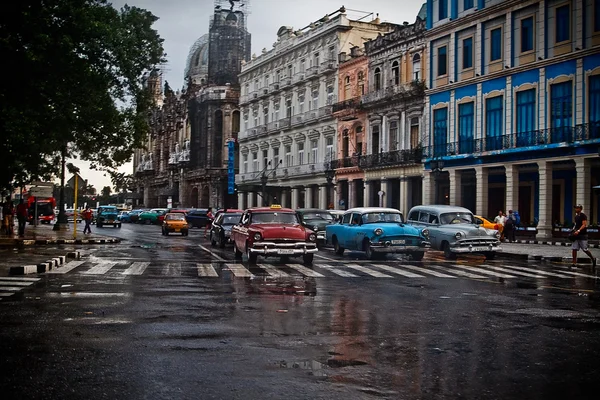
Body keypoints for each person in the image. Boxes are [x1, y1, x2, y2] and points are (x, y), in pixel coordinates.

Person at [571, 204, 596, 269]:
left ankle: (593, 259)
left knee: (585, 249)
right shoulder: (576, 217)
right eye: (575, 208)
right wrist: (573, 230)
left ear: (580, 209)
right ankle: (574, 263)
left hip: (582, 235)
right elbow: (576, 224)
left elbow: (584, 225)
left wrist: (578, 230)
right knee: (574, 249)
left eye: (577, 208)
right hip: (576, 235)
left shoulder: (583, 216)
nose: (576, 209)